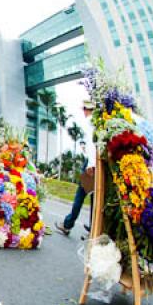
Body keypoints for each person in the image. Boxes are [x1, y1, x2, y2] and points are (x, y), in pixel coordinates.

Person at [55, 101, 95, 237]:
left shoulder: (90, 122)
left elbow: (91, 145)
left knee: (80, 196)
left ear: (86, 109)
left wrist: (89, 165)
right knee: (94, 198)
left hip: (90, 165)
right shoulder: (97, 122)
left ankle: (67, 224)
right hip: (94, 166)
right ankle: (93, 227)